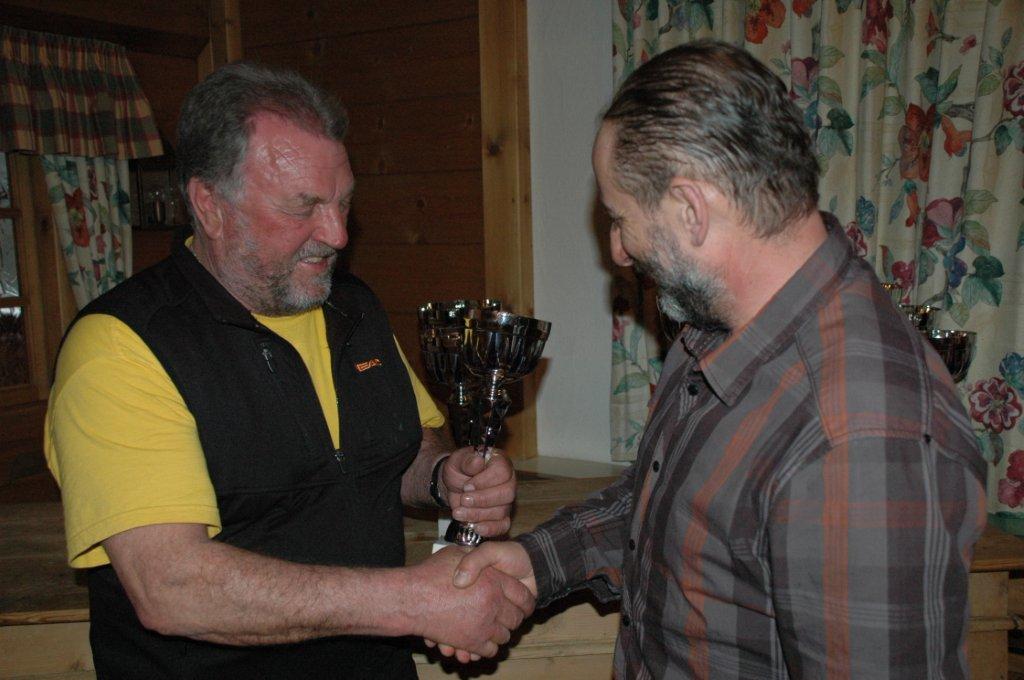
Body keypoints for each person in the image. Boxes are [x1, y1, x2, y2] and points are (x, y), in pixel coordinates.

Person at [453, 40, 986, 678]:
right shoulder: (716, 326)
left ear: (691, 211)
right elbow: (669, 504)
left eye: (620, 219)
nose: (618, 250)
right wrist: (537, 562)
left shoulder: (861, 438)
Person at [44, 62, 533, 679]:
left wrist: (445, 477)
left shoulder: (352, 305)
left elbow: (404, 448)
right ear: (209, 205)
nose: (337, 233)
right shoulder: (120, 347)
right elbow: (172, 586)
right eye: (303, 207)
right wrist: (415, 601)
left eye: (344, 202)